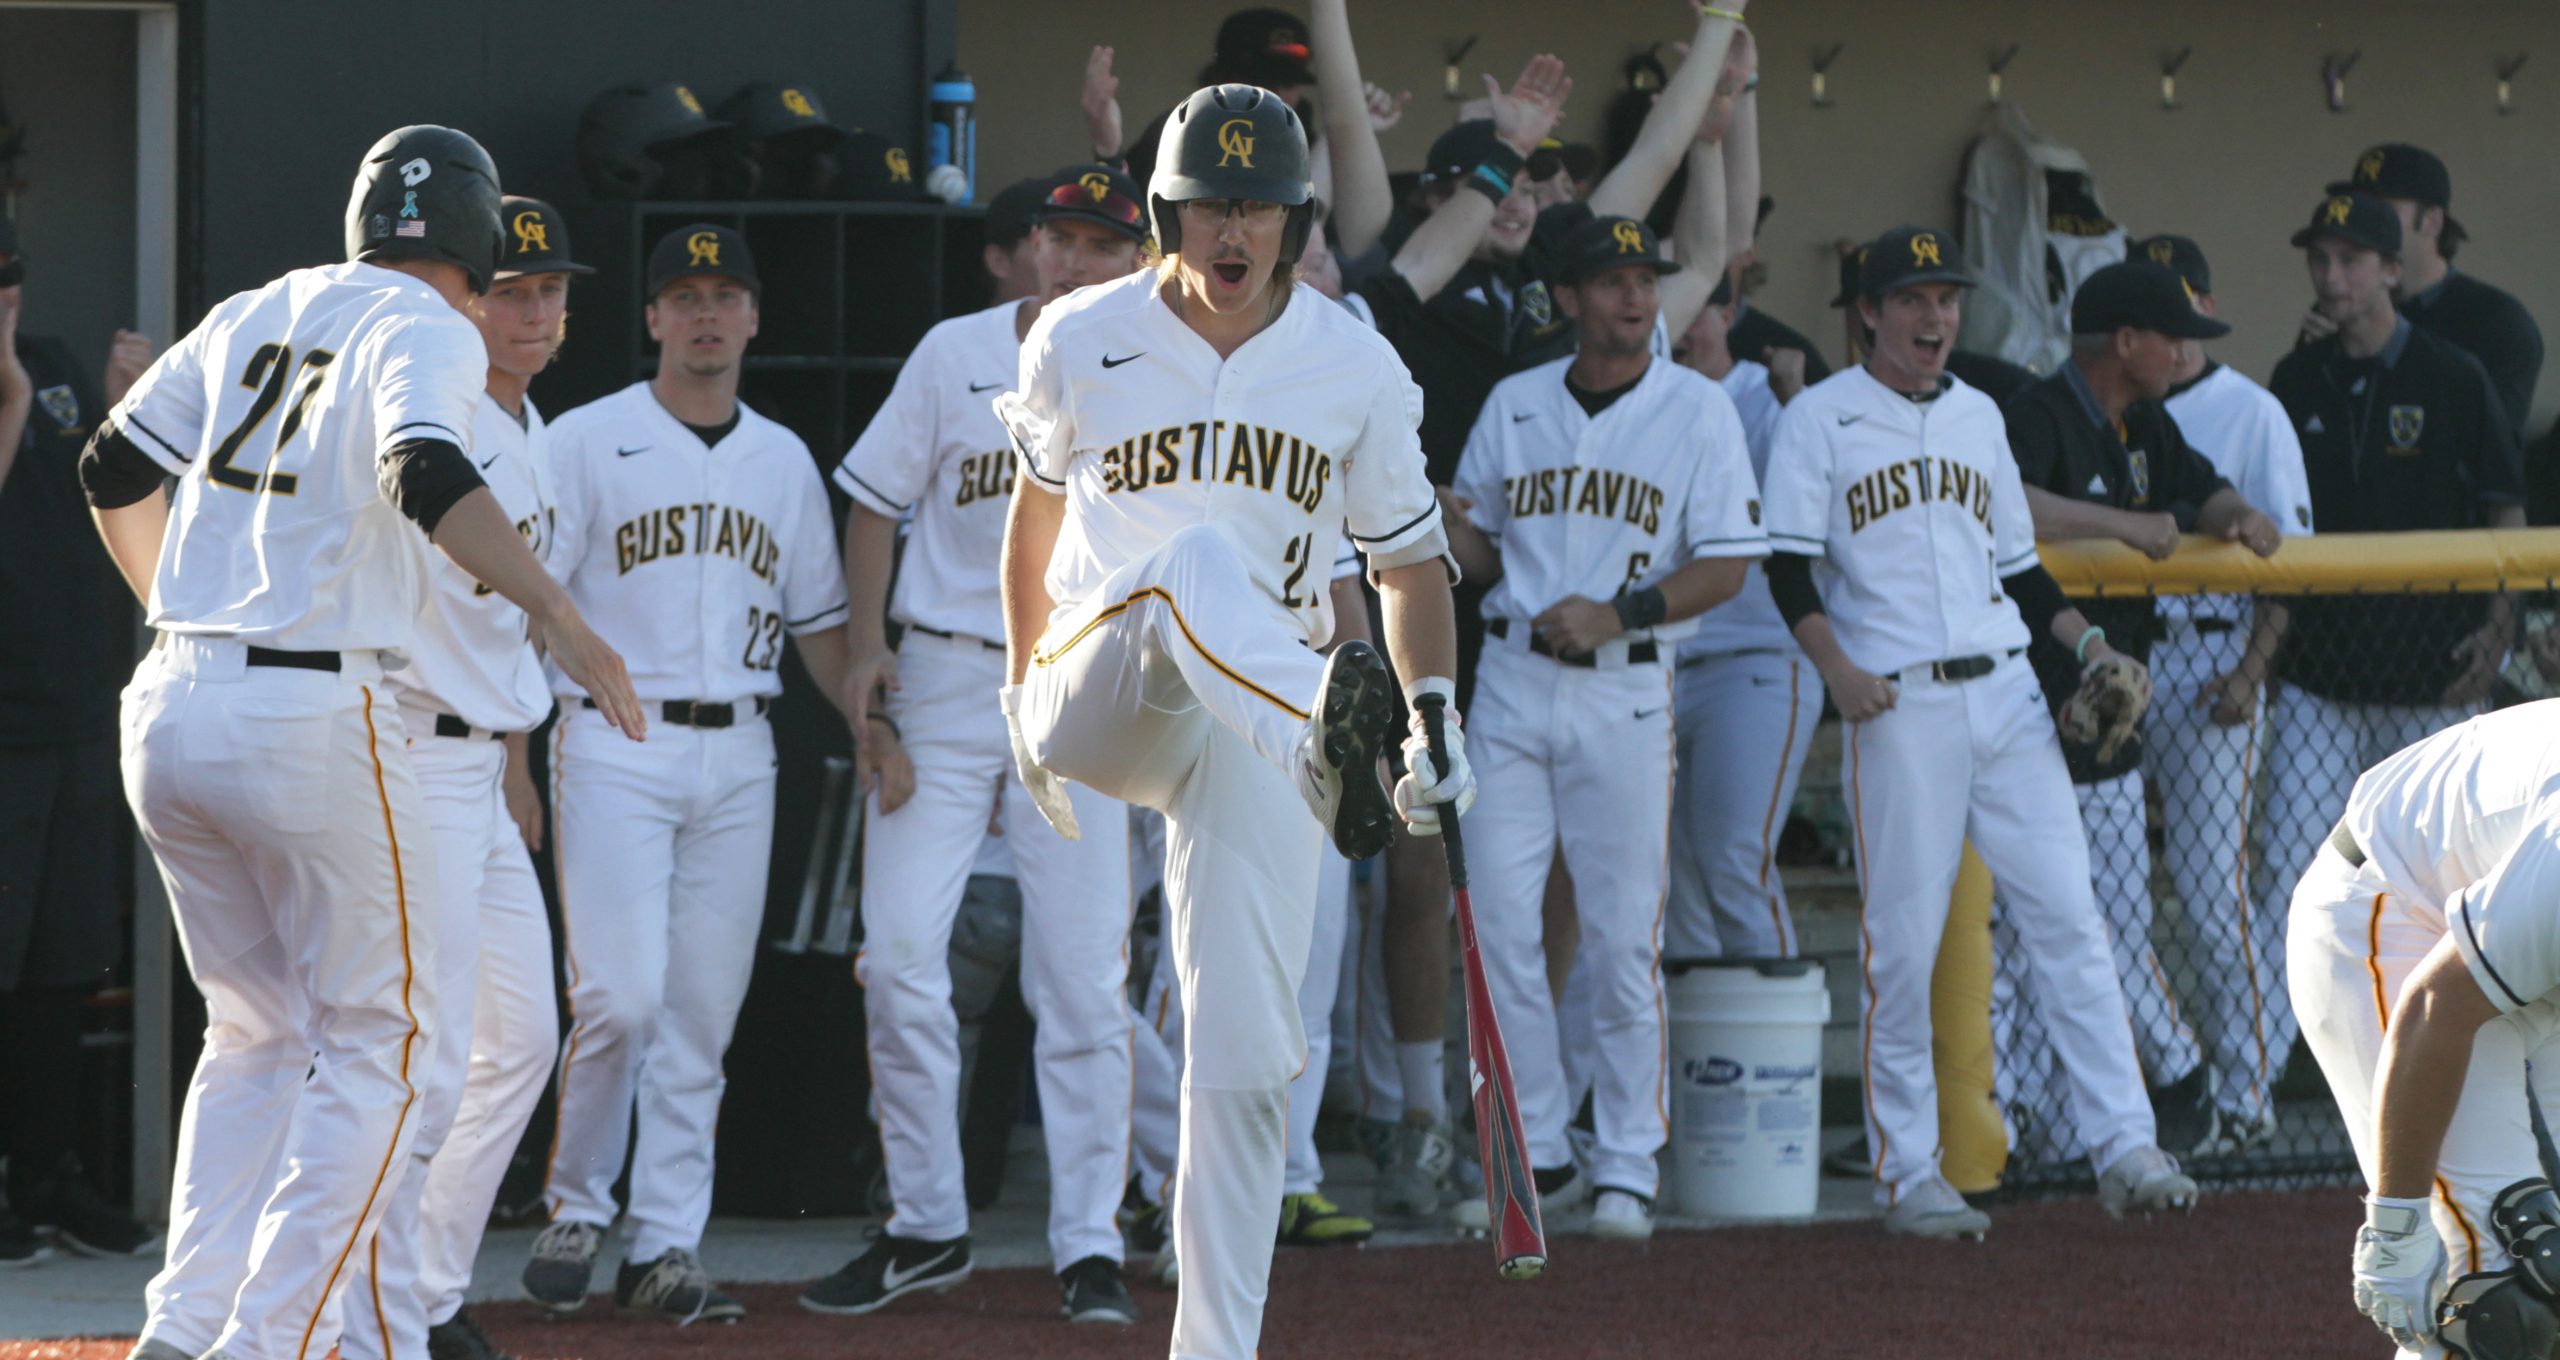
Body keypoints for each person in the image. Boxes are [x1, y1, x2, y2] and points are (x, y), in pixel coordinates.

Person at [82, 125, 641, 1360]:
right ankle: (268, 1343)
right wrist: (560, 613)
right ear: (479, 239)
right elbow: (422, 466)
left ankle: (182, 1332)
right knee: (388, 1050)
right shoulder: (432, 324)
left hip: (172, 699)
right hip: (312, 710)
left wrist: (181, 604)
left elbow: (111, 459)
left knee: (257, 1034)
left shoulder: (259, 304)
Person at [995, 84, 1468, 1360]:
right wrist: (1015, 682)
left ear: (1300, 222)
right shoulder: (1077, 335)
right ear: (1164, 213)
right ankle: (1326, 730)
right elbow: (1035, 519)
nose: (1234, 225)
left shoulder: (1353, 361)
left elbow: (1408, 564)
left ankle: (1215, 1349)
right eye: (1210, 200)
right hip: (1109, 682)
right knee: (1184, 564)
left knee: (1256, 1058)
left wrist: (1429, 714)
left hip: (1255, 710)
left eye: (1259, 202)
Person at [1756, 224, 2196, 1240]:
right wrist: (1837, 670)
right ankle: (1909, 1173)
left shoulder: (1979, 414)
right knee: (1902, 948)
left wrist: (2087, 649)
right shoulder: (1820, 420)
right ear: (1868, 312)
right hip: (1897, 703)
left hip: (2003, 690)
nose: (1933, 316)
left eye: (1945, 298)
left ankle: (2124, 1145)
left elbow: (2019, 570)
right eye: (1911, 298)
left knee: (2069, 923)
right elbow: (1785, 566)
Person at [798, 164, 1146, 1325]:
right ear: (1032, 249)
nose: (1074, 260)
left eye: (1102, 243)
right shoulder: (953, 352)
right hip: (945, 671)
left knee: (1082, 980)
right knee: (898, 959)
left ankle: (1089, 1240)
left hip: (1083, 680)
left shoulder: (1159, 365)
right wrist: (858, 654)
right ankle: (926, 1223)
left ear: (1137, 259)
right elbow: (870, 500)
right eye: (1060, 238)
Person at [523, 222, 853, 1323]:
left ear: (753, 316)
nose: (706, 314)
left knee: (702, 1014)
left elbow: (816, 621)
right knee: (619, 995)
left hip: (742, 746)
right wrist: (515, 751)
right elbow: (534, 610)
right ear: (653, 317)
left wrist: (869, 710)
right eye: (685, 296)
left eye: (725, 295)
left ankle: (664, 1242)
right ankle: (576, 1200)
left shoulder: (783, 458)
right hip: (616, 738)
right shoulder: (584, 439)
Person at [1439, 213, 1762, 1242]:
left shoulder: (1698, 409)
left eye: (1643, 278)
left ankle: (1626, 1155)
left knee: (1622, 940)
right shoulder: (1514, 402)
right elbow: (1486, 556)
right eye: (1610, 279)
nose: (1633, 295)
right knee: (1494, 931)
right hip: (1511, 685)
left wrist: (1619, 613)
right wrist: (1446, 527)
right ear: (1568, 297)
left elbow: (1727, 564)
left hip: (1623, 686)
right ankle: (1537, 1148)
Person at [334, 195, 591, 1360]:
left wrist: (522, 761)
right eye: (510, 289)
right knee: (419, 1058)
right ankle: (368, 1311)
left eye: (550, 290)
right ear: (465, 300)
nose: (532, 309)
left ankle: (422, 1291)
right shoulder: (425, 412)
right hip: (405, 750)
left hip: (484, 763)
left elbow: (508, 634)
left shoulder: (532, 426)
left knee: (521, 1043)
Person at [1994, 259, 2281, 1158]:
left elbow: (2201, 488)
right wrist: (2119, 523)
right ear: (2126, 343)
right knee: (2019, 921)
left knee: (2106, 911)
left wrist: (2237, 515)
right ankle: (2024, 1110)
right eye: (2172, 334)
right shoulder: (2037, 413)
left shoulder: (2147, 420)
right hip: (2028, 695)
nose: (2185, 350)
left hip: (2114, 703)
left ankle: (2114, 1093)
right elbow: (2011, 503)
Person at [2256, 193, 2525, 983]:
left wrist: (2499, 630)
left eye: (2349, 260)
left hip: (2429, 679)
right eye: (2319, 259)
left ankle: (2441, 1052)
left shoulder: (2453, 374)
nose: (2330, 276)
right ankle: (2261, 1089)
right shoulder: (2296, 376)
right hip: (2318, 679)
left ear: (2391, 273)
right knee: (2291, 875)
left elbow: (2505, 507)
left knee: (2445, 889)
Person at [2286, 703, 2560, 1355]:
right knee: (2496, 1303)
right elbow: (2437, 1005)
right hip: (2390, 919)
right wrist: (2397, 1223)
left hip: (2511, 944)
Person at [2136, 232, 2316, 1157]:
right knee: (2111, 896)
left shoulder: (2253, 411)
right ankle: (2158, 1091)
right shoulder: (2115, 407)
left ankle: (2246, 1095)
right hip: (2125, 665)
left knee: (2211, 898)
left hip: (2217, 662)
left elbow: (2289, 560)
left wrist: (2253, 672)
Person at [0, 211, 157, 1267]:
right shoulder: (19, 382)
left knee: (62, 970)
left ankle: (46, 1175)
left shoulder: (48, 364)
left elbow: (108, 503)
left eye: (10, 274)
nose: (4, 294)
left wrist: (119, 410)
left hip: (74, 721)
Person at [1663, 270, 1819, 962]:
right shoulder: (1645, 400)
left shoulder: (1769, 397)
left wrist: (1798, 398)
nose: (1685, 326)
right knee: (1673, 880)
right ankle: (1707, 1065)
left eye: (1700, 310)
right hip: (1660, 662)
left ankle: (1780, 1063)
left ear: (1730, 313)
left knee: (1732, 855)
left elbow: (1828, 501)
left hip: (1755, 657)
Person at [2311, 143, 2541, 442]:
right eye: (2359, 207)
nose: (2364, 223)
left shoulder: (2495, 320)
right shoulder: (2344, 306)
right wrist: (2319, 359)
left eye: (2383, 210)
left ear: (2432, 220)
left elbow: (2494, 456)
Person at [980, 173, 1064, 306]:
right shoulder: (956, 327)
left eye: (1101, 247)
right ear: (998, 261)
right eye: (1057, 241)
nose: (1075, 262)